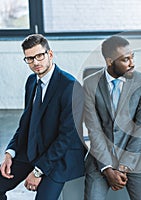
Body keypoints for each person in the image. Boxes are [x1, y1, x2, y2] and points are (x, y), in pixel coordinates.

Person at [0, 34, 86, 200]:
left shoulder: (70, 86)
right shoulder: (31, 82)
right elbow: (25, 124)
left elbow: (67, 137)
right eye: (30, 59)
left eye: (39, 56)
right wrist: (10, 153)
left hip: (60, 158)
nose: (36, 63)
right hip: (32, 151)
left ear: (50, 54)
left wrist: (38, 171)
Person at [83, 35, 141, 200]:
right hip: (101, 158)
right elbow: (94, 129)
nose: (132, 63)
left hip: (135, 156)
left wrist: (123, 167)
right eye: (125, 60)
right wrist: (107, 168)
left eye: (132, 57)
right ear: (109, 61)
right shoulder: (90, 84)